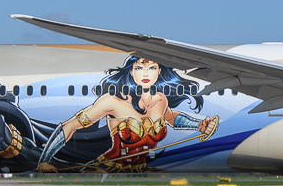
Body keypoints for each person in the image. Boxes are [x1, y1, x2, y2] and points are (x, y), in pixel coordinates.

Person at [40, 56, 218, 171]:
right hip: (107, 167)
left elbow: (171, 118)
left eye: (152, 68)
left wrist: (198, 125)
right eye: (140, 68)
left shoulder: (160, 100)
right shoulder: (113, 101)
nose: (146, 74)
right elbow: (70, 126)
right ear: (132, 71)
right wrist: (44, 161)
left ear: (159, 71)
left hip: (141, 168)